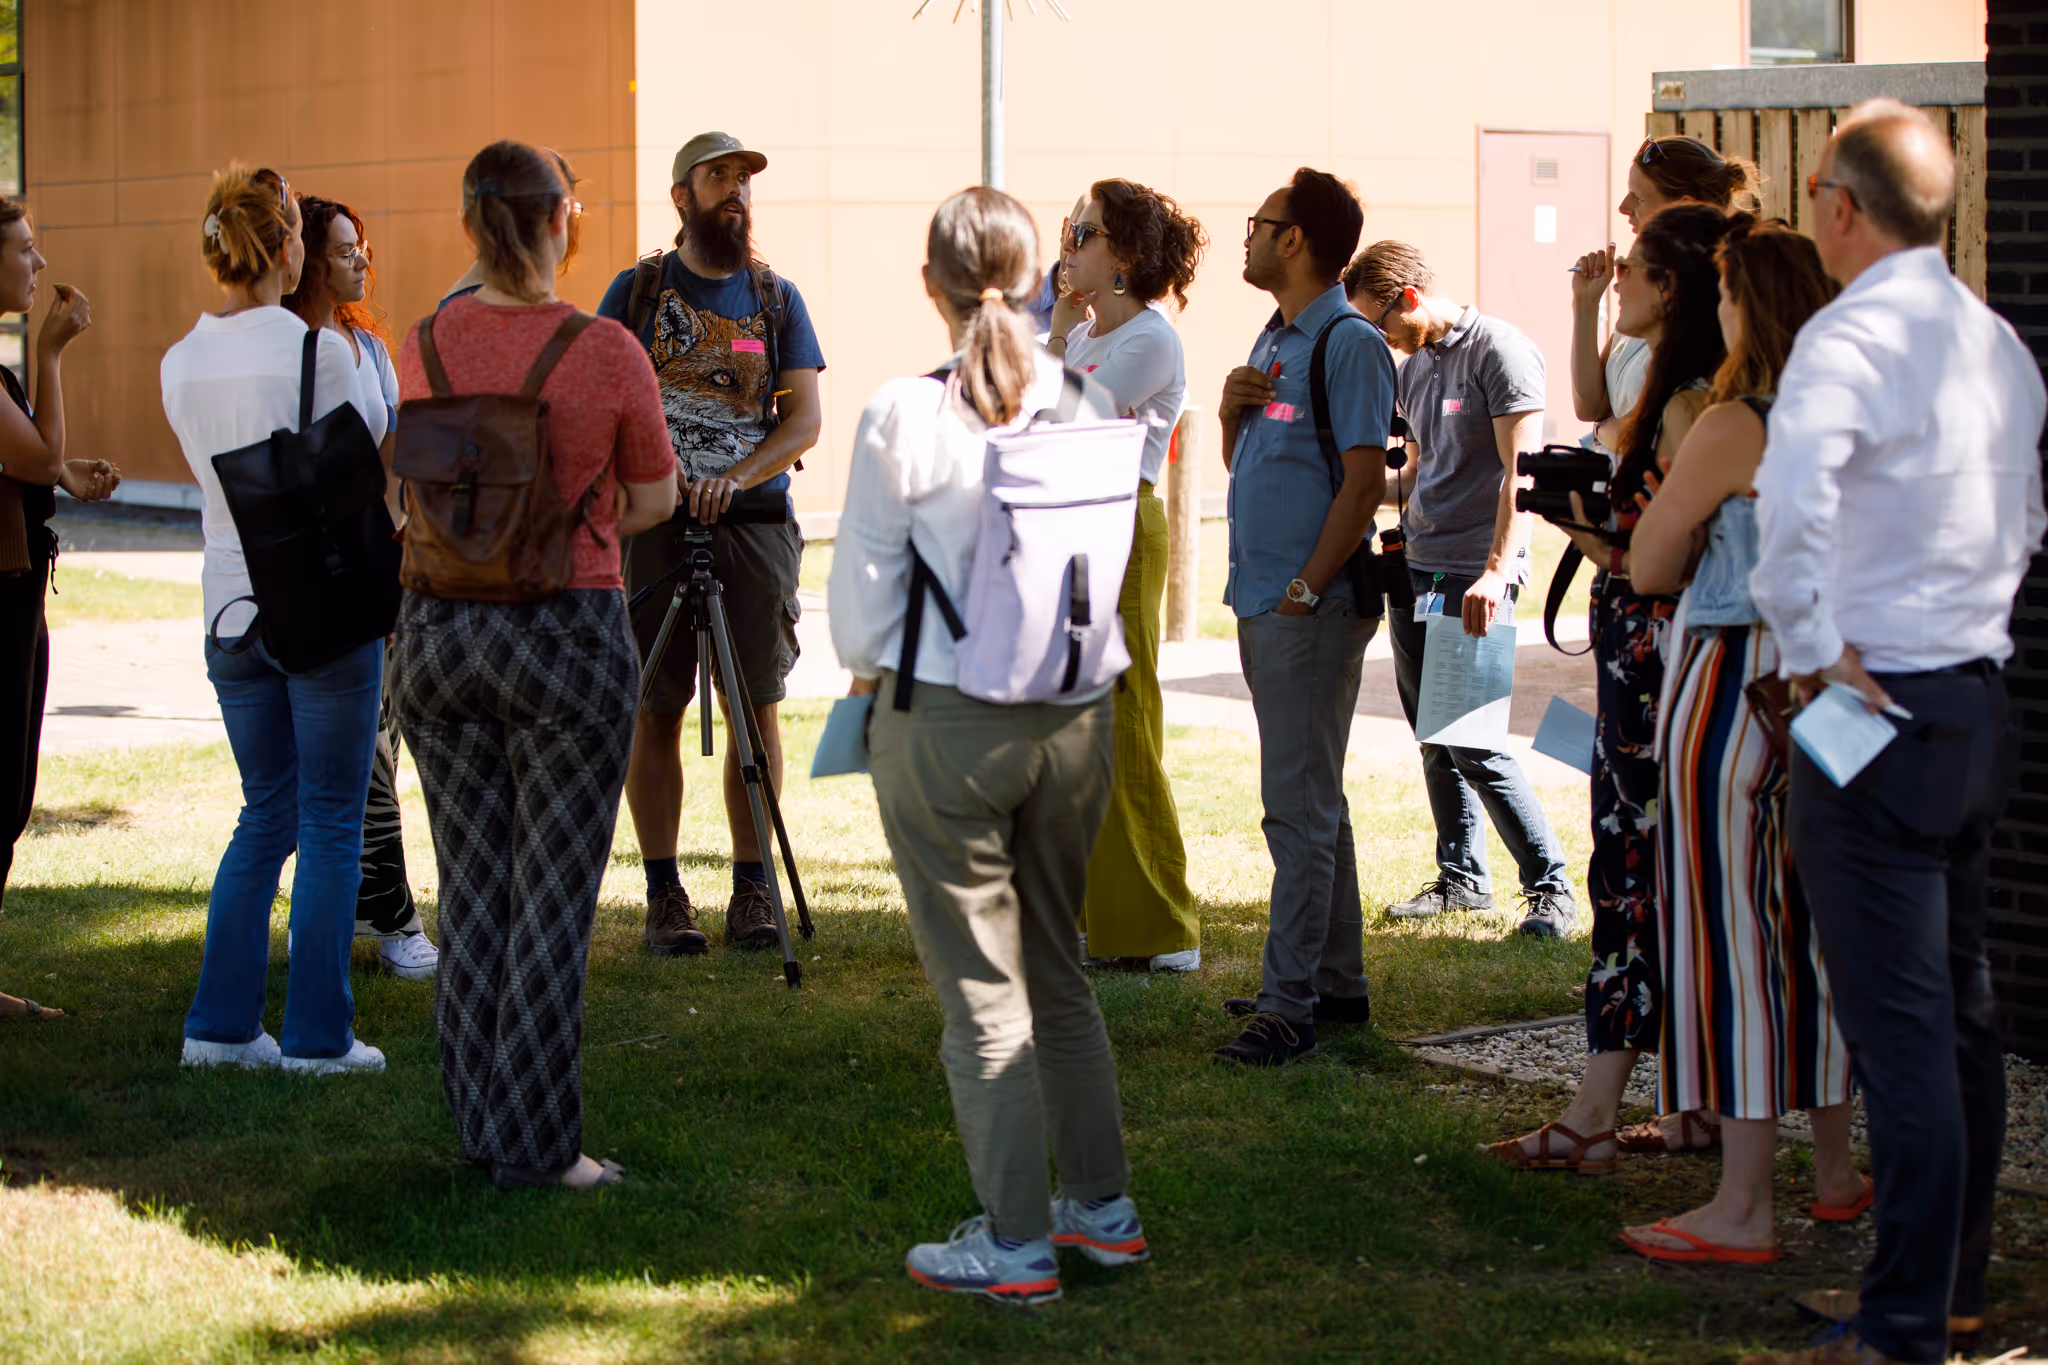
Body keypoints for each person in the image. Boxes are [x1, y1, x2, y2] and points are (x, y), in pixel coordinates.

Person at [1741, 101, 2047, 1365]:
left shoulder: (1845, 338)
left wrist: (1816, 652)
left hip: (1875, 708)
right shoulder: (1993, 342)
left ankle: (1907, 1322)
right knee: (1958, 1018)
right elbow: (2026, 521)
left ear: (1838, 207)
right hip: (1972, 702)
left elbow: (1786, 517)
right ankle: (1946, 1293)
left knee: (1904, 1035)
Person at [830, 185, 1143, 1306]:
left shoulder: (904, 413)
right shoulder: (1084, 393)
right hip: (1075, 714)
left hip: (950, 719)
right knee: (1056, 967)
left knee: (981, 990)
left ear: (931, 284)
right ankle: (1101, 1210)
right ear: (1037, 274)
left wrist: (872, 685)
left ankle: (1014, 1243)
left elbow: (860, 615)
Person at [392, 140, 678, 1190]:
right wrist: (578, 512)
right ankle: (539, 1148)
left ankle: (482, 1125)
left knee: (473, 894)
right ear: (562, 221)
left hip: (438, 635)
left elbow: (413, 491)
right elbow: (653, 498)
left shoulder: (421, 342)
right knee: (552, 902)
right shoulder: (604, 350)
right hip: (564, 637)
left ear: (471, 224)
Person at [1615, 214, 1865, 1265]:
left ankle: (1742, 1204)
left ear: (1744, 307)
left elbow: (1649, 563)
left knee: (1727, 937)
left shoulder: (1735, 424)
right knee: (1815, 931)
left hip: (1735, 677)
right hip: (1840, 689)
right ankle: (1838, 1174)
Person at [1483, 203, 1728, 1169]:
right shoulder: (1677, 391)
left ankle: (1594, 1115)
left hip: (1654, 659)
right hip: (1654, 655)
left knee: (1631, 869)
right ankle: (1690, 1105)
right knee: (1660, 870)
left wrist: (1583, 529)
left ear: (1670, 288)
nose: (1616, 278)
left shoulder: (1686, 406)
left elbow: (1663, 556)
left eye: (1632, 269)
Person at [161, 165, 387, 1075]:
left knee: (266, 813)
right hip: (320, 607)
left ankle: (218, 1028)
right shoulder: (318, 350)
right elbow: (370, 443)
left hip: (227, 609)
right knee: (331, 819)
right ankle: (319, 1038)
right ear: (286, 247)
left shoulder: (179, 360)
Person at [596, 131, 826, 958]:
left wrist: (735, 475)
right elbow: (600, 402)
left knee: (753, 708)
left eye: (743, 178)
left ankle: (752, 887)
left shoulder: (776, 298)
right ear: (680, 196)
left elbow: (803, 420)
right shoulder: (636, 292)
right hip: (654, 527)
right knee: (654, 707)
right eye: (717, 176)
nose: (735, 189)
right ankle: (665, 894)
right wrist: (659, 476)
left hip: (755, 527)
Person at [1343, 241, 1577, 937]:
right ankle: (1462, 879)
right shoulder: (1415, 366)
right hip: (1419, 565)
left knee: (1473, 739)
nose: (1380, 339)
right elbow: (1419, 470)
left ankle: (1552, 890)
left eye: (1380, 322)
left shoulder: (1501, 352)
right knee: (1434, 736)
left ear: (1411, 297)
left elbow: (1521, 474)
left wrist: (1498, 571)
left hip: (1476, 573)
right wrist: (1347, 484)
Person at [1210, 169, 1389, 1066]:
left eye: (1260, 223)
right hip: (1268, 597)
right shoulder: (1276, 336)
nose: (1246, 236)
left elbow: (1364, 484)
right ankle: (1334, 981)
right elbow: (1257, 463)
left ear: (1294, 239)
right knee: (1317, 797)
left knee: (1297, 809)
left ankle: (1289, 1008)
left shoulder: (1348, 343)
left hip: (1307, 607)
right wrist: (1227, 416)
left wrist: (1307, 589)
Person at [1045, 177, 1206, 974]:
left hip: (1119, 523)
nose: (1068, 245)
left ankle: (1162, 923)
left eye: (1085, 233)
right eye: (1070, 230)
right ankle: (1093, 914)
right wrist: (1055, 334)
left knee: (1124, 718)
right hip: (1067, 524)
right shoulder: (1078, 336)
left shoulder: (1150, 338)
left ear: (1125, 255)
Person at [281, 193, 438, 982]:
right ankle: (395, 922)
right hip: (327, 576)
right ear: (309, 259)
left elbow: (391, 463)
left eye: (362, 248)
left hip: (380, 567)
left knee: (378, 748)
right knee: (362, 757)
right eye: (345, 251)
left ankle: (340, 911)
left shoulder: (368, 347)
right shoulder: (295, 349)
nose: (361, 262)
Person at [0, 196, 117, 915]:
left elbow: (32, 461)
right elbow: (37, 455)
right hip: (1, 603)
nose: (39, 261)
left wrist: (61, 473)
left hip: (18, 598)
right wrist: (51, 351)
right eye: (23, 247)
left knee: (11, 797)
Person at [1571, 136, 1761, 453]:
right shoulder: (1644, 298)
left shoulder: (1715, 308)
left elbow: (1656, 431)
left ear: (1682, 206)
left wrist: (1604, 432)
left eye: (1638, 196)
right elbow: (1591, 404)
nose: (1623, 207)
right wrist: (1585, 304)